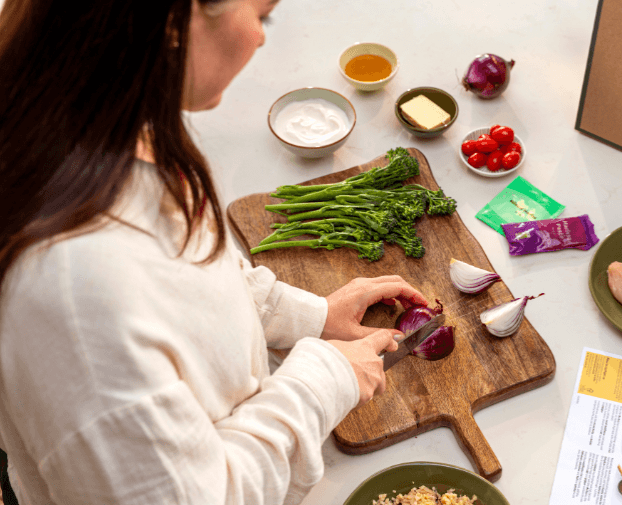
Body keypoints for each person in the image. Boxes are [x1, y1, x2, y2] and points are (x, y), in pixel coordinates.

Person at [0, 0, 427, 503]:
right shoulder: (73, 293)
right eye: (262, 15)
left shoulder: (112, 128)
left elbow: (186, 275)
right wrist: (325, 379)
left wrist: (307, 316)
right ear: (177, 20)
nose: (262, 38)